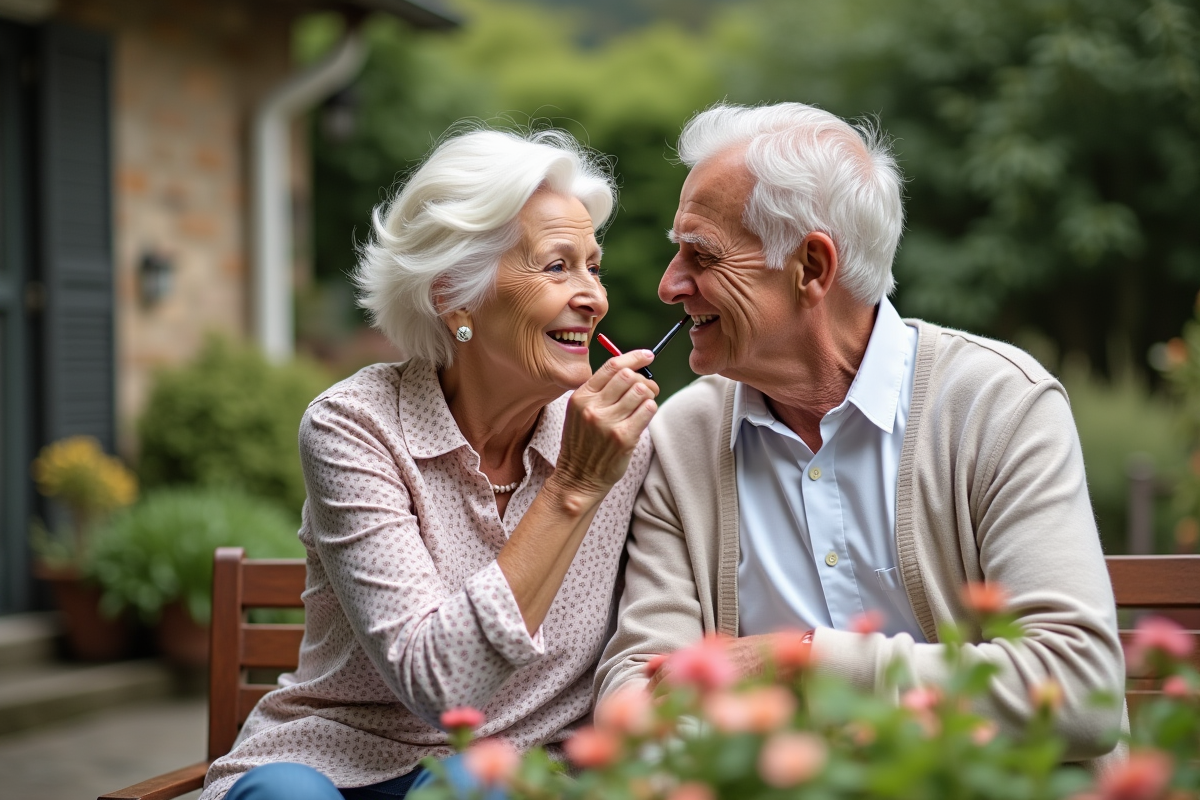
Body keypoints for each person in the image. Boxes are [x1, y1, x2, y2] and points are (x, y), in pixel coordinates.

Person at [596, 102, 1125, 770]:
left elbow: (1079, 692)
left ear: (812, 267)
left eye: (701, 255)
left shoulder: (998, 404)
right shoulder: (683, 437)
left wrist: (802, 665)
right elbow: (637, 691)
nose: (670, 284)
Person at [201, 127, 659, 800]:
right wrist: (574, 486)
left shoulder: (622, 439)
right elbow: (442, 687)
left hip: (511, 775)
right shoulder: (355, 426)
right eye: (557, 267)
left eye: (594, 266)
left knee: (474, 785)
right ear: (454, 297)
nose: (594, 296)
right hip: (336, 759)